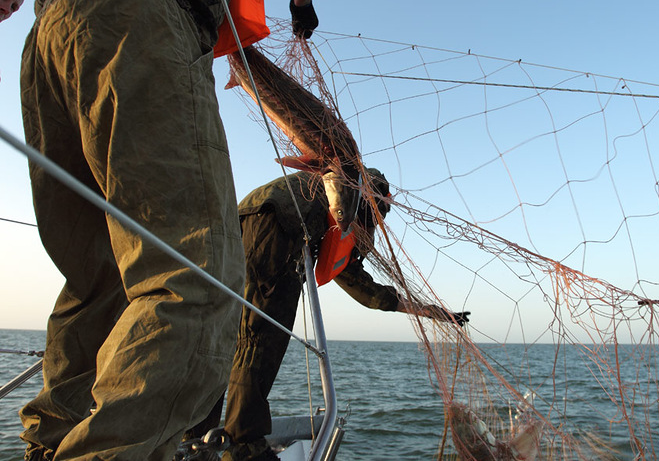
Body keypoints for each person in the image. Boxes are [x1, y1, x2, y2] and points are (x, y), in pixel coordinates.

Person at [18, 0, 341, 459]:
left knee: (98, 279)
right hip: (140, 10)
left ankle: (46, 446)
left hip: (52, 26)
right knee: (199, 279)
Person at [185, 168, 470, 461]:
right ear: (368, 201)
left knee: (221, 331)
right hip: (278, 224)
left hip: (240, 220)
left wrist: (435, 313)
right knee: (260, 335)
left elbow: (364, 288)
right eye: (380, 212)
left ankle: (192, 435)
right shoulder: (350, 191)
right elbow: (356, 269)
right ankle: (244, 445)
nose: (378, 221)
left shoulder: (335, 197)